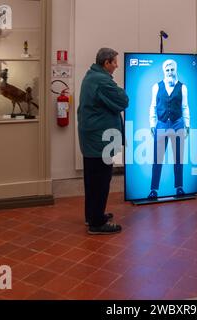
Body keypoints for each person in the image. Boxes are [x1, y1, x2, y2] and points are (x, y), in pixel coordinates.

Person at [77, 48, 129, 235]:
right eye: (114, 62)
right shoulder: (101, 80)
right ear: (106, 63)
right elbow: (123, 101)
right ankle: (97, 223)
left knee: (92, 180)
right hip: (100, 141)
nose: (116, 66)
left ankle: (92, 215)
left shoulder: (91, 76)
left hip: (93, 138)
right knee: (100, 181)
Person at [147, 59, 190, 199]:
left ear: (175, 70)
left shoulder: (182, 87)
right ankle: (153, 189)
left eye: (172, 69)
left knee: (178, 157)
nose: (170, 72)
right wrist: (152, 124)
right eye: (167, 70)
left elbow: (185, 107)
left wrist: (187, 125)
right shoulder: (156, 87)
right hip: (161, 124)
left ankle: (179, 187)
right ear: (164, 71)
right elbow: (153, 106)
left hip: (178, 124)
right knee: (157, 158)